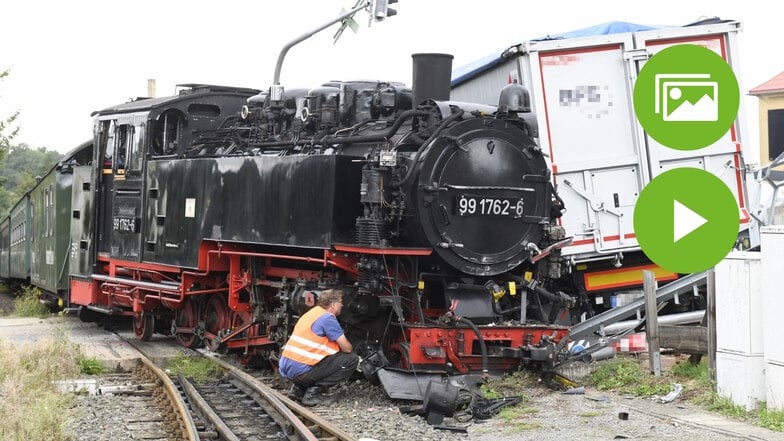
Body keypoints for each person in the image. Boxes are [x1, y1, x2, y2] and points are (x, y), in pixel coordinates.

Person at [279, 289, 359, 406]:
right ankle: (313, 394)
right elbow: (347, 349)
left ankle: (298, 389)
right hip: (302, 372)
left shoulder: (312, 313)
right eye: (340, 302)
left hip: (287, 368)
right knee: (351, 359)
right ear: (332, 305)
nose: (342, 305)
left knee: (320, 359)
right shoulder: (328, 318)